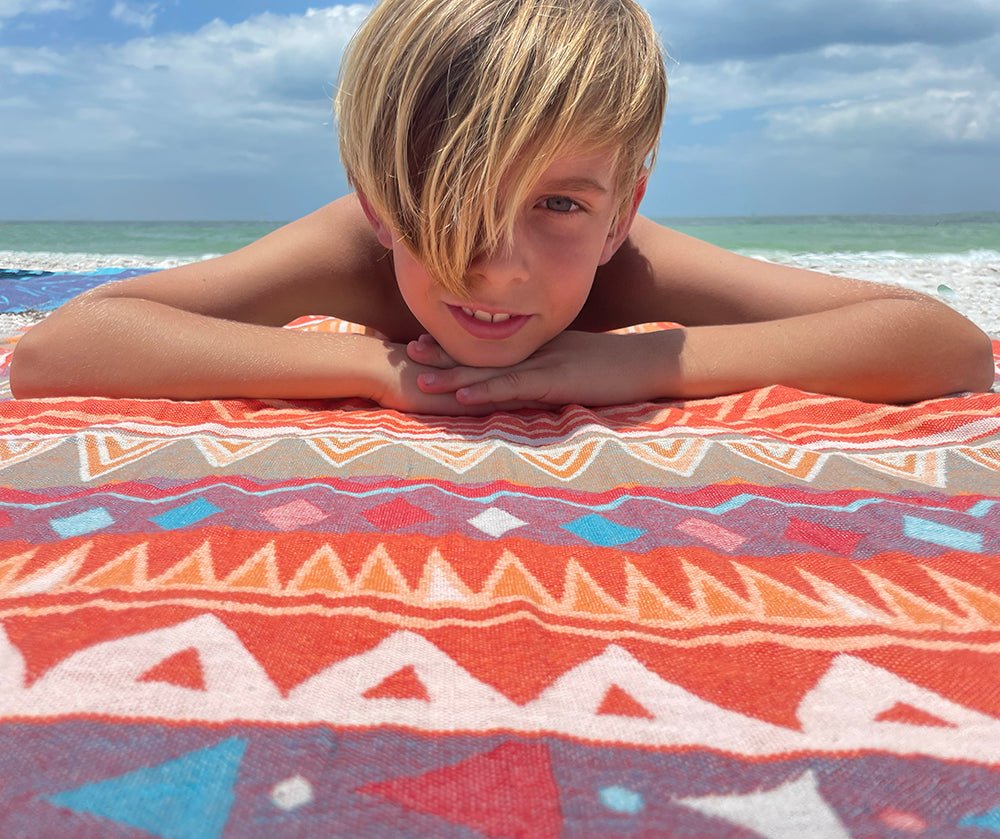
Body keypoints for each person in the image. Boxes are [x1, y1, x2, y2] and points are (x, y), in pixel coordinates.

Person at [9, 0, 994, 413]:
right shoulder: (348, 249)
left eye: (559, 203)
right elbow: (63, 351)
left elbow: (941, 342)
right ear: (379, 201)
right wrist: (379, 370)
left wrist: (633, 361)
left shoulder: (632, 266)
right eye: (445, 202)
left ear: (621, 212)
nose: (497, 264)